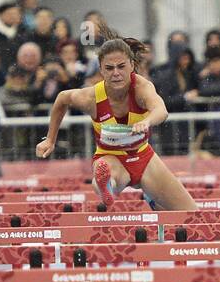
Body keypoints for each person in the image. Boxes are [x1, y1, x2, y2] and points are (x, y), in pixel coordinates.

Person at [37, 35, 196, 211]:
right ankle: (108, 187)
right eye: (109, 68)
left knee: (191, 214)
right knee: (105, 177)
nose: (116, 73)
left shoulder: (142, 87)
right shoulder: (91, 97)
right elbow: (62, 99)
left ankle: (151, 197)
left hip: (144, 157)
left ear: (132, 66)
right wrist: (50, 139)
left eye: (121, 67)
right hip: (110, 156)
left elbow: (161, 110)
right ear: (101, 70)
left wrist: (147, 121)